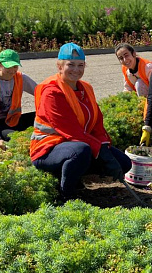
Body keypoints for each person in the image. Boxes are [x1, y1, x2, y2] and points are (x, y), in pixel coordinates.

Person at [30, 43, 132, 200]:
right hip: (48, 149)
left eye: (80, 65)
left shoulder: (86, 88)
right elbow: (71, 131)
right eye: (70, 65)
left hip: (76, 144)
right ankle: (66, 195)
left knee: (124, 163)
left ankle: (75, 176)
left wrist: (104, 147)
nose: (76, 70)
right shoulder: (51, 92)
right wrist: (102, 154)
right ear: (59, 66)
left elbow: (97, 122)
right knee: (80, 151)